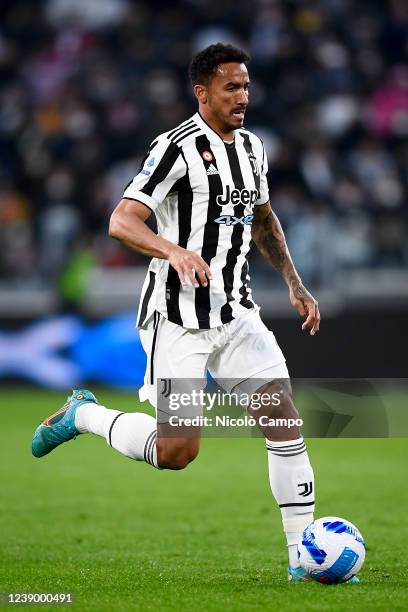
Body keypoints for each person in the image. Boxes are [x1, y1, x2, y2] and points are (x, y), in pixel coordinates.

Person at [32, 43, 353, 584]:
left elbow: (264, 221)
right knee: (179, 450)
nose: (243, 97)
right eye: (231, 87)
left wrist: (296, 284)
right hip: (178, 319)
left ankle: (302, 556)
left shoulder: (253, 148)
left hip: (237, 314)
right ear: (202, 92)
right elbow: (122, 220)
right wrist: (173, 250)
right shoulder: (175, 149)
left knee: (284, 421)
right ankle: (81, 415)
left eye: (246, 86)